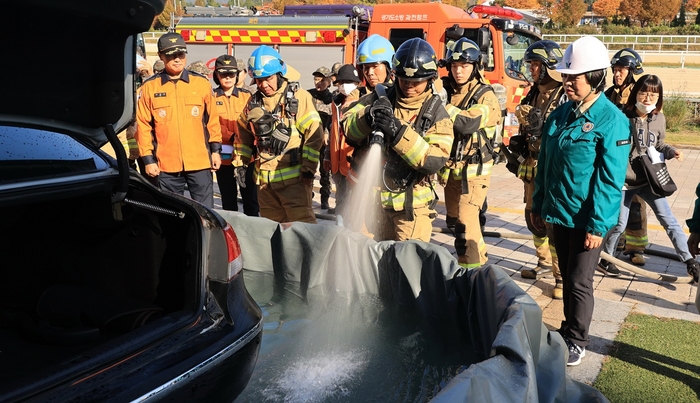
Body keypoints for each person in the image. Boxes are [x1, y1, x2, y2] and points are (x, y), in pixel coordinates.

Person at [531, 36, 631, 366]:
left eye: (574, 77)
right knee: (565, 273)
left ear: (596, 77)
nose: (567, 82)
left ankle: (577, 339)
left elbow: (610, 179)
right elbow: (545, 164)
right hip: (560, 213)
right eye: (566, 76)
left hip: (588, 219)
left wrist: (599, 225)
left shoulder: (611, 119)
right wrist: (538, 204)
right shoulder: (561, 114)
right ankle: (566, 328)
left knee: (578, 279)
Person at [342, 38, 453, 242]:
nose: (409, 86)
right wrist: (368, 116)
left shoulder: (436, 113)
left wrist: (398, 132)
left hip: (411, 210)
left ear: (430, 79)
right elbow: (348, 128)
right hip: (372, 206)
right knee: (368, 261)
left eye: (416, 82)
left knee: (407, 265)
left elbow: (434, 160)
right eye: (403, 79)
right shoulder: (379, 97)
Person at [598, 74, 700, 280]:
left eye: (653, 94)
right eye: (643, 92)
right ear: (636, 93)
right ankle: (606, 259)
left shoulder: (659, 118)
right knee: (619, 223)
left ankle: (689, 261)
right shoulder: (621, 116)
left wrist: (672, 152)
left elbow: (659, 144)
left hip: (647, 180)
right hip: (623, 182)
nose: (647, 98)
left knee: (668, 220)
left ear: (659, 97)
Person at [233, 45, 322, 223]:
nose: (264, 85)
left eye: (268, 78)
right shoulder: (254, 101)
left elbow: (315, 133)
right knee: (271, 230)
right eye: (259, 80)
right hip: (265, 183)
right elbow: (243, 134)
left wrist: (308, 169)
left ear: (279, 74)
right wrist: (240, 163)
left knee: (301, 229)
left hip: (295, 183)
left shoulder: (298, 97)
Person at [135, 32, 222, 208]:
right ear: (160, 56)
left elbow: (212, 119)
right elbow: (143, 126)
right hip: (166, 165)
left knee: (205, 214)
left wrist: (215, 150)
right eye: (171, 55)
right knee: (172, 214)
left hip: (199, 162)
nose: (177, 59)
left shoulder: (201, 84)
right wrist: (148, 160)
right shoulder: (149, 88)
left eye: (180, 54)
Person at [437, 38, 501, 269]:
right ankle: (481, 261)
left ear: (475, 67)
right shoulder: (447, 90)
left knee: (465, 223)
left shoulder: (486, 96)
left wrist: (441, 105)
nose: (458, 71)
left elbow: (467, 123)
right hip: (451, 169)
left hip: (474, 173)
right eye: (454, 66)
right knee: (454, 221)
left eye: (464, 66)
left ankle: (471, 274)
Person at [513, 40, 566, 300]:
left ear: (548, 66)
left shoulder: (564, 94)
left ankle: (560, 277)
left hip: (553, 167)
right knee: (532, 217)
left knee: (552, 223)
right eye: (531, 64)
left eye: (535, 64)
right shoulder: (534, 92)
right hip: (532, 166)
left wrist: (540, 132)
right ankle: (543, 263)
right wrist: (521, 139)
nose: (532, 69)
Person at [604, 48, 649, 267]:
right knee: (615, 202)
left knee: (637, 205)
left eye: (621, 70)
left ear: (632, 71)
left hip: (634, 158)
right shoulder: (609, 93)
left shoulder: (639, 94)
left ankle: (636, 247)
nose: (617, 74)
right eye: (615, 70)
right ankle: (615, 242)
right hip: (613, 154)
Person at [212, 54, 258, 215]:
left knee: (251, 199)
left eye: (231, 74)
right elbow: (211, 125)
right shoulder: (210, 98)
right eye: (223, 74)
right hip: (223, 157)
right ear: (217, 75)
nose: (228, 77)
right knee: (228, 199)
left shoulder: (248, 97)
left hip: (246, 157)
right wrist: (232, 136)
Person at [323, 64, 362, 216]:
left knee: (354, 207)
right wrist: (328, 154)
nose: (344, 85)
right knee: (341, 203)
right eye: (341, 82)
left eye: (349, 81)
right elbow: (333, 131)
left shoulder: (363, 101)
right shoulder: (336, 103)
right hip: (337, 163)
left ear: (357, 83)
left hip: (352, 162)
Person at [309, 66, 334, 210]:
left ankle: (325, 199)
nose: (318, 82)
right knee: (308, 169)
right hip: (310, 139)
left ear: (329, 82)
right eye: (316, 79)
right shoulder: (308, 95)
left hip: (324, 141)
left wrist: (327, 133)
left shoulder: (332, 99)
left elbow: (332, 120)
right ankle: (308, 195)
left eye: (322, 80)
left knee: (325, 172)